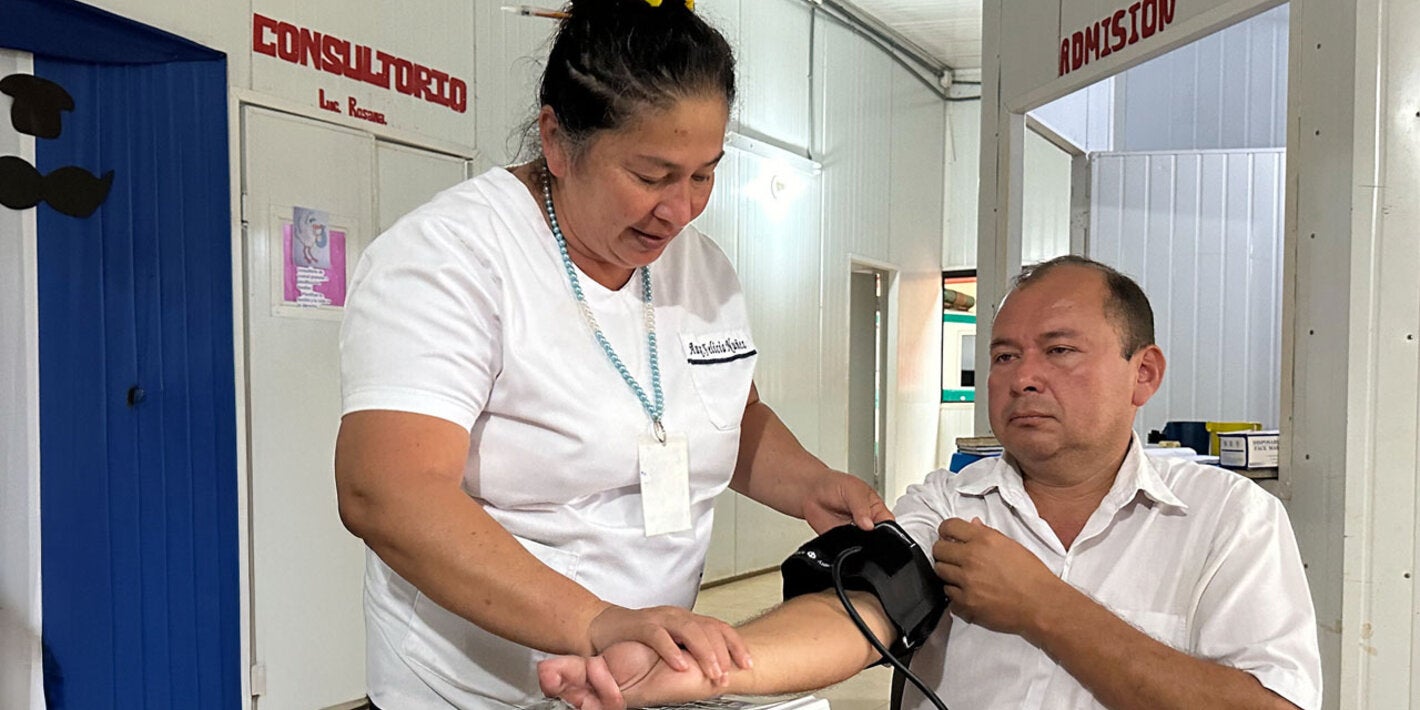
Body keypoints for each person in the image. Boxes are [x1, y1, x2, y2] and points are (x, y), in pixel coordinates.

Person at [333, 0, 891, 707]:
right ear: (558, 143)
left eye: (704, 174)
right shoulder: (451, 259)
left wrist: (810, 483)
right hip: (475, 686)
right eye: (653, 176)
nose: (681, 209)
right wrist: (590, 620)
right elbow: (386, 492)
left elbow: (728, 415)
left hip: (636, 675)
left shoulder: (702, 269)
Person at [539, 256, 1324, 710]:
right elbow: (859, 614)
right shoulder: (953, 507)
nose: (1023, 379)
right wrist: (697, 666)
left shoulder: (1231, 522)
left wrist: (1044, 608)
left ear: (1142, 373)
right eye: (1007, 355)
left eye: (1059, 352)